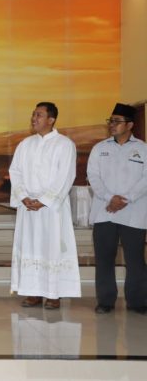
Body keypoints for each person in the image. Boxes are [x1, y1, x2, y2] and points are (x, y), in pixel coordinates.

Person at [9, 102, 80, 309]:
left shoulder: (64, 144)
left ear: (51, 120)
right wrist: (23, 196)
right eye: (33, 114)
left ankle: (53, 294)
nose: (34, 118)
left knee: (52, 248)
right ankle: (33, 292)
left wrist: (44, 200)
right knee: (30, 247)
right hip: (29, 208)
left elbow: (66, 175)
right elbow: (15, 172)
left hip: (52, 209)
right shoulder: (25, 144)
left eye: (39, 115)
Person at [87, 103, 147, 315]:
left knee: (135, 260)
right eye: (110, 121)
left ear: (130, 125)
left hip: (134, 213)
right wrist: (109, 198)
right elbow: (93, 176)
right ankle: (105, 301)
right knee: (104, 259)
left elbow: (145, 179)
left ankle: (138, 301)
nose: (112, 125)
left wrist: (125, 199)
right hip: (105, 211)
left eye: (117, 121)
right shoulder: (99, 148)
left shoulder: (142, 149)